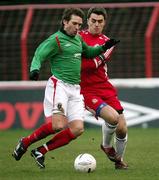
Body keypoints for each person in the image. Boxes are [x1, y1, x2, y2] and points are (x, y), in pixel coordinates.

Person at [12, 8, 119, 169]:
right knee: (58, 125)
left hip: (75, 89)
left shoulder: (77, 39)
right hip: (60, 85)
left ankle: (41, 151)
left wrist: (103, 47)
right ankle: (25, 142)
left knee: (77, 129)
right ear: (65, 22)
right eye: (74, 23)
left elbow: (89, 53)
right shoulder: (56, 39)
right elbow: (39, 54)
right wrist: (34, 69)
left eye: (79, 24)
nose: (77, 27)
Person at [79, 7, 128, 169]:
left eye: (100, 21)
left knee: (122, 128)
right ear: (87, 21)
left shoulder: (108, 43)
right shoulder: (77, 37)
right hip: (86, 89)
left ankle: (118, 161)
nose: (96, 24)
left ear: (104, 23)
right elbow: (84, 68)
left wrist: (80, 56)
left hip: (105, 87)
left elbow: (91, 65)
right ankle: (107, 146)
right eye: (93, 21)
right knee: (113, 118)